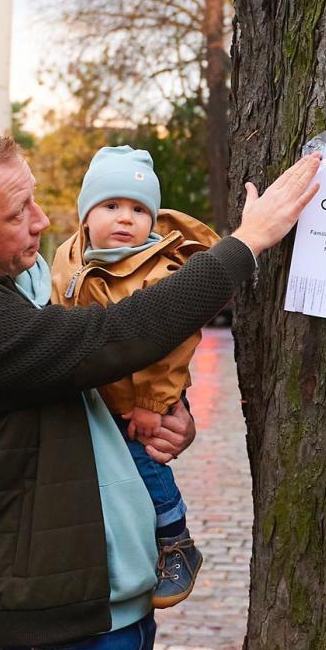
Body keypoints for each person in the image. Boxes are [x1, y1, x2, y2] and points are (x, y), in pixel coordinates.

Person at [0, 132, 320, 650]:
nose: (42, 220)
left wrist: (165, 411)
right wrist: (245, 244)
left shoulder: (25, 285)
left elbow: (85, 389)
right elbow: (110, 337)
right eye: (18, 213)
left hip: (116, 606)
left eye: (35, 200)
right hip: (55, 631)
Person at [50, 146, 217, 609]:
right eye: (111, 206)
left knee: (145, 460)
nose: (126, 219)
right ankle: (131, 542)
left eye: (139, 209)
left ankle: (175, 538)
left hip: (145, 393)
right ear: (85, 215)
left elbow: (172, 348)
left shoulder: (158, 270)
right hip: (99, 394)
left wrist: (152, 403)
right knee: (111, 473)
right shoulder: (69, 257)